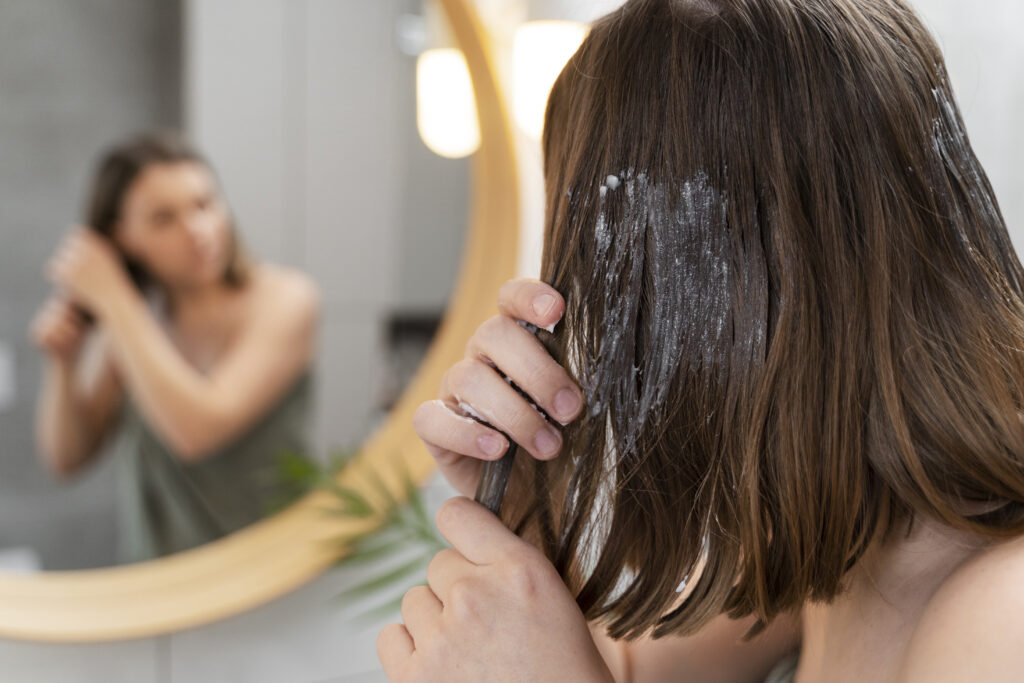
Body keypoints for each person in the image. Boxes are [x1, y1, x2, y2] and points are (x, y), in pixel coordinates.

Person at [380, 0, 1024, 680]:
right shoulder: (845, 550)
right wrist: (530, 517)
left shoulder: (1001, 618)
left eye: (613, 280)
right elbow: (616, 669)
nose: (592, 328)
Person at [31, 132, 320, 564]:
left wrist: (112, 296)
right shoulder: (132, 326)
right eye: (164, 219)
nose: (199, 231)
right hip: (168, 582)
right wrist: (65, 363)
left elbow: (197, 431)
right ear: (123, 237)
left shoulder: (286, 298)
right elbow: (67, 458)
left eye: (204, 204)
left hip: (276, 570)